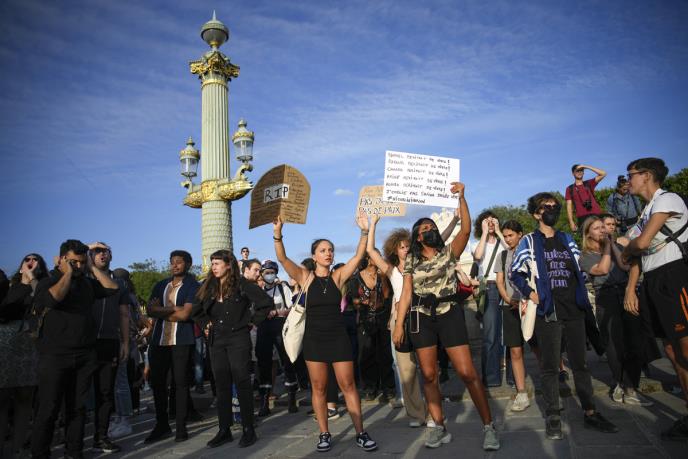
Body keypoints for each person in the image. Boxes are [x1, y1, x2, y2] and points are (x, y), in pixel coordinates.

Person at [393, 182, 500, 451]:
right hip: (421, 318)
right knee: (429, 375)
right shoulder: (411, 260)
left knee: (466, 372)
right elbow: (406, 292)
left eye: (432, 226)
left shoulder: (449, 252)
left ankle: (488, 426)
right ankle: (438, 426)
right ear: (418, 237)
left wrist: (462, 197)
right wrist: (398, 325)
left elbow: (465, 229)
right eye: (424, 228)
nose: (429, 229)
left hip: (449, 313)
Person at [510, 193, 618, 441]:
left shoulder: (566, 238)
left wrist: (606, 249)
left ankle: (590, 412)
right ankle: (553, 416)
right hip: (549, 312)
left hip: (574, 309)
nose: (551, 209)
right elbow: (515, 273)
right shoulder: (529, 241)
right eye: (545, 207)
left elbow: (585, 267)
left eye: (554, 206)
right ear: (536, 214)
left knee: (580, 364)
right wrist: (531, 293)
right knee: (550, 367)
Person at [273, 214, 378, 452]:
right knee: (319, 388)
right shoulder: (305, 277)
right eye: (323, 250)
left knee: (348, 385)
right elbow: (282, 258)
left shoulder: (338, 277)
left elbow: (358, 256)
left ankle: (360, 433)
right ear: (314, 256)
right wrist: (278, 234)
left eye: (330, 250)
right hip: (314, 340)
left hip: (338, 338)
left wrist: (364, 231)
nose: (328, 253)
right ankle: (324, 433)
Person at [31, 240, 121, 459]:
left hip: (84, 355)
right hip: (54, 356)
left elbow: (113, 288)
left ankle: (74, 452)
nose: (78, 266)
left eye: (81, 262)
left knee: (77, 408)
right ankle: (40, 454)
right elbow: (53, 299)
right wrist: (68, 273)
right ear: (62, 259)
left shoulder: (87, 283)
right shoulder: (48, 281)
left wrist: (91, 268)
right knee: (49, 409)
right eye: (74, 262)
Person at [621, 157, 688, 441]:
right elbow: (636, 255)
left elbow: (641, 243)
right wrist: (630, 288)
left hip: (674, 275)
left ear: (646, 175)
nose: (628, 181)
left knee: (685, 347)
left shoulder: (667, 199)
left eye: (631, 175)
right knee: (671, 350)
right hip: (652, 280)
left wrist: (628, 248)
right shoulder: (645, 211)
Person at [192, 249, 272, 448]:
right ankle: (224, 430)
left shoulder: (242, 284)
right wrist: (205, 324)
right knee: (221, 385)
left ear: (228, 265)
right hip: (216, 340)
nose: (214, 267)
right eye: (212, 263)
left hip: (238, 338)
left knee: (242, 382)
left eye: (217, 263)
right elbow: (196, 309)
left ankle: (248, 429)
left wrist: (251, 322)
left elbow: (265, 303)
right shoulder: (208, 285)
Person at [579, 217, 651, 406]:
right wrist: (608, 249)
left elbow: (626, 266)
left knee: (635, 342)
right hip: (606, 296)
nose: (602, 230)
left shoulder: (616, 246)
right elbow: (602, 269)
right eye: (597, 228)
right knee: (613, 344)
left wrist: (612, 245)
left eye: (603, 227)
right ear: (588, 234)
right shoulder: (585, 256)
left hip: (625, 292)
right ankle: (621, 383)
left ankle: (629, 385)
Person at [366, 217, 428, 427]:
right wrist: (373, 225)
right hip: (399, 319)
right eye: (401, 247)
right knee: (406, 369)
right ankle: (417, 414)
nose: (406, 250)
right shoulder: (391, 270)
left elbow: (442, 240)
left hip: (421, 316)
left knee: (428, 367)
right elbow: (371, 251)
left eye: (408, 246)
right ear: (394, 250)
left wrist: (455, 218)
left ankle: (433, 411)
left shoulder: (420, 264)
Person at [144, 250, 199, 444]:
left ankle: (181, 426)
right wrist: (175, 308)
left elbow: (186, 315)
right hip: (159, 340)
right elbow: (150, 309)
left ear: (188, 264)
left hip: (181, 340)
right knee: (158, 383)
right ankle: (161, 425)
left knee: (181, 383)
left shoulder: (193, 285)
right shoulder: (161, 285)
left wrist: (161, 310)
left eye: (179, 262)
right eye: (172, 262)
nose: (174, 265)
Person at [0, 253, 47, 457]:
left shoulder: (43, 286)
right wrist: (23, 282)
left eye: (36, 260)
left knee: (25, 398)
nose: (31, 262)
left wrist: (33, 280)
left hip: (30, 346)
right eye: (27, 259)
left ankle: (17, 448)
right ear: (21, 267)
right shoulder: (9, 287)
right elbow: (5, 310)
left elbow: (44, 303)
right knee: (3, 399)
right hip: (6, 346)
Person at [88, 243, 131, 453]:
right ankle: (73, 443)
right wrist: (87, 249)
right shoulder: (82, 278)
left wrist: (125, 342)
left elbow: (124, 314)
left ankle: (101, 437)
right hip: (83, 343)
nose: (102, 253)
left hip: (109, 341)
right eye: (97, 251)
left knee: (105, 393)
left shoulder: (119, 283)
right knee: (78, 393)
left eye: (105, 250)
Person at [493, 220, 530, 412]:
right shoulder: (502, 255)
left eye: (511, 235)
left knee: (539, 347)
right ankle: (521, 392)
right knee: (515, 350)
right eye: (505, 236)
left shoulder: (529, 251)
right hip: (510, 306)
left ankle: (551, 385)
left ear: (520, 234)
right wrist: (508, 299)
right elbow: (499, 281)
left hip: (530, 306)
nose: (508, 239)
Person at [255, 260, 300, 416]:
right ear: (261, 274)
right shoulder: (258, 291)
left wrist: (277, 312)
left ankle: (292, 399)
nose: (269, 275)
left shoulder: (282, 288)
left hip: (280, 325)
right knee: (264, 365)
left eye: (272, 272)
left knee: (287, 361)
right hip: (263, 327)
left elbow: (291, 308)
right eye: (266, 272)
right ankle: (264, 403)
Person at [348, 254, 395, 402]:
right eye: (375, 256)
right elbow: (352, 300)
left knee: (385, 354)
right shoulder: (356, 278)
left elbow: (387, 296)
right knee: (367, 355)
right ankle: (370, 387)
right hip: (365, 320)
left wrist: (383, 278)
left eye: (379, 255)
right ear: (368, 259)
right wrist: (363, 301)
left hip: (382, 318)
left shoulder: (383, 276)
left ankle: (388, 387)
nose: (379, 258)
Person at [472, 211, 508, 387]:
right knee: (491, 335)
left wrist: (499, 231)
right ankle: (491, 378)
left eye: (493, 221)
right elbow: (478, 256)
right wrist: (485, 232)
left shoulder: (503, 241)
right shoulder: (477, 243)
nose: (491, 223)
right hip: (490, 288)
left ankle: (510, 376)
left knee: (507, 334)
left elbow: (512, 251)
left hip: (506, 287)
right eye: (487, 221)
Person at [565, 163, 607, 232]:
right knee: (585, 237)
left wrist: (585, 166)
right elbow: (569, 206)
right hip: (582, 218)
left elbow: (603, 173)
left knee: (600, 235)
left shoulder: (589, 183)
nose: (579, 172)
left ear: (583, 172)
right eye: (577, 171)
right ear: (573, 173)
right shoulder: (569, 189)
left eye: (581, 170)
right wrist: (571, 222)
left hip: (596, 214)